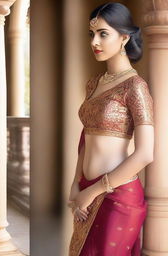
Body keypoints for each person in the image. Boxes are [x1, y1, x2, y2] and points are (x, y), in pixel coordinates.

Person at [68, 3, 154, 256]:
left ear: (124, 37)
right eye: (91, 34)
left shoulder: (135, 87)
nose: (94, 41)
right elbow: (87, 136)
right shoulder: (93, 83)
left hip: (118, 196)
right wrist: (76, 185)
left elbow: (145, 154)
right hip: (86, 189)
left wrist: (93, 191)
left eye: (103, 33)